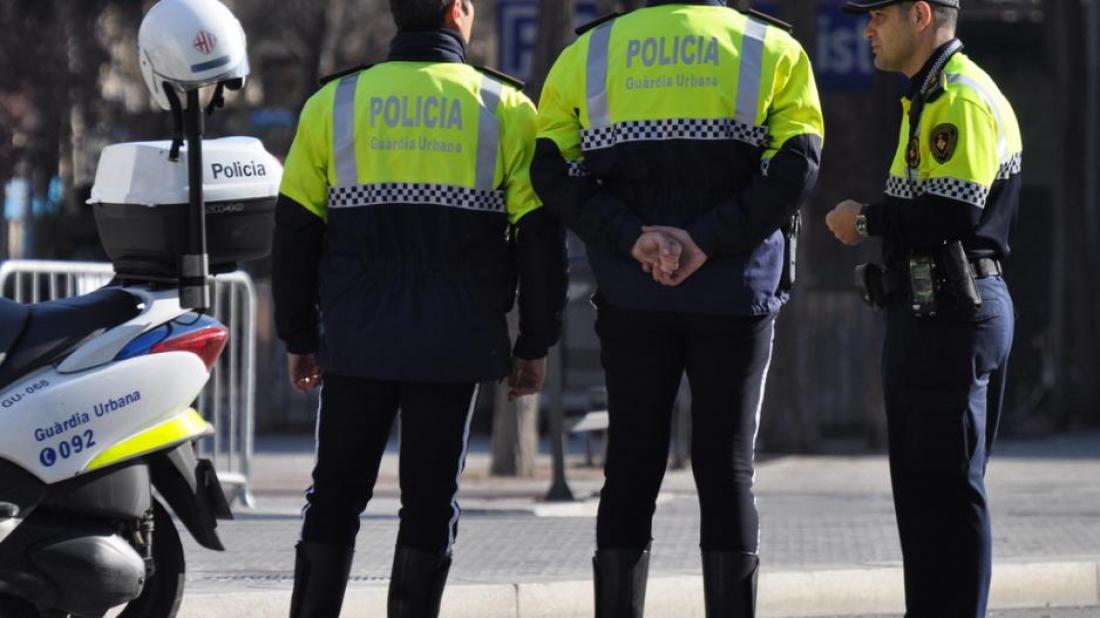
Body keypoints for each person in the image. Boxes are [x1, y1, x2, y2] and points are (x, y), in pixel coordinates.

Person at [271, 0, 568, 615]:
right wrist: (534, 341)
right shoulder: (506, 107)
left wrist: (299, 335)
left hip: (357, 338)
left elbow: (296, 230)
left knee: (335, 496)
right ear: (458, 11)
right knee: (430, 503)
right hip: (454, 342)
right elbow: (539, 238)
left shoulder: (334, 103)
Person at [532, 1, 823, 615]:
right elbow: (796, 164)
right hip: (735, 293)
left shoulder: (589, 53)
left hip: (633, 291)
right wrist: (705, 241)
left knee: (631, 465)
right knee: (727, 469)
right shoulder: (771, 49)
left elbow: (553, 169)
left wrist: (632, 237)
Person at [825, 1, 1019, 615]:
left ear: (920, 14)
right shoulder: (928, 97)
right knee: (923, 497)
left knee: (947, 496)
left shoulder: (956, 97)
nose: (867, 29)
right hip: (932, 313)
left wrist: (864, 220)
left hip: (953, 316)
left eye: (878, 15)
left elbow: (952, 212)